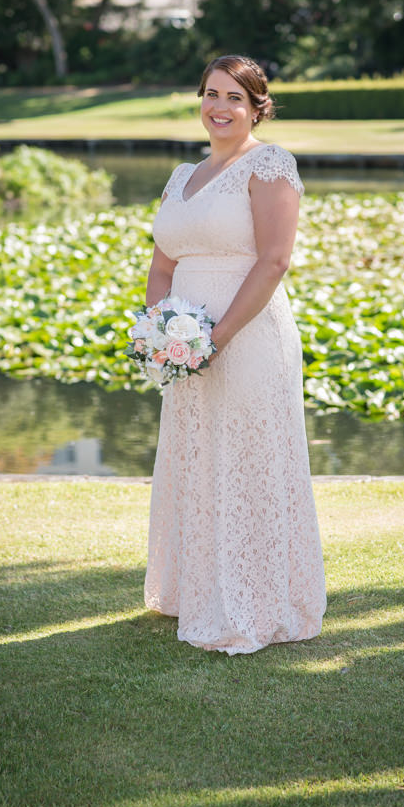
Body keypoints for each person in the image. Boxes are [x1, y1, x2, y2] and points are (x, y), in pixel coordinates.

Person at [144, 54, 326, 654]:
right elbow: (164, 262)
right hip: (185, 344)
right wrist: (162, 330)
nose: (219, 107)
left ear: (256, 108)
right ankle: (194, 593)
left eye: (234, 98)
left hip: (247, 338)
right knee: (196, 457)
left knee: (246, 459)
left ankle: (255, 604)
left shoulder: (269, 165)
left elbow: (274, 260)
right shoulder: (181, 176)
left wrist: (216, 339)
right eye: (210, 94)